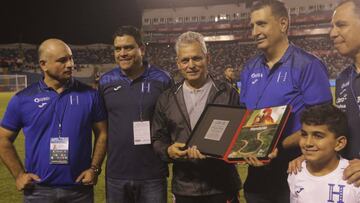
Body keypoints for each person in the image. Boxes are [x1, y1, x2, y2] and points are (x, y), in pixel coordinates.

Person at [239, 0, 333, 202]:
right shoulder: (248, 69)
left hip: (295, 173)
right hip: (255, 179)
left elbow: (323, 123)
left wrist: (279, 145)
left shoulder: (308, 65)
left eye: (261, 24)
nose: (255, 32)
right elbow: (244, 118)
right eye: (252, 26)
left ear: (283, 24)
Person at [0, 39, 107, 202]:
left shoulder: (90, 95)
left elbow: (103, 134)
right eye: (62, 60)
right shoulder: (22, 99)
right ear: (43, 65)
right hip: (38, 191)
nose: (70, 64)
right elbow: (3, 138)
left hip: (79, 191)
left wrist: (94, 168)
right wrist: (19, 175)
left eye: (71, 58)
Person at [151, 31, 241, 203]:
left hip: (222, 186)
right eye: (185, 60)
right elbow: (157, 138)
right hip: (185, 188)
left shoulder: (227, 93)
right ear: (178, 63)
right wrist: (168, 151)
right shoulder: (167, 98)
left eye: (196, 58)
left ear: (208, 58)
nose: (191, 65)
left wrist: (219, 150)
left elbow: (239, 135)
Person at [288, 0, 360, 188]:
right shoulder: (345, 77)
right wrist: (316, 152)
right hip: (350, 183)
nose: (332, 33)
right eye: (332, 27)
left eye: (341, 25)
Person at [98, 26, 172, 203]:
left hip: (152, 174)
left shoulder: (162, 79)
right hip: (116, 174)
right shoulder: (105, 81)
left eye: (128, 47)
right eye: (118, 49)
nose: (122, 53)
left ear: (142, 49)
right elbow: (100, 128)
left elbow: (172, 122)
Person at [287, 104, 360, 202]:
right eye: (304, 135)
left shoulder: (355, 176)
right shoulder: (295, 172)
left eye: (318, 136)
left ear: (339, 143)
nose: (308, 143)